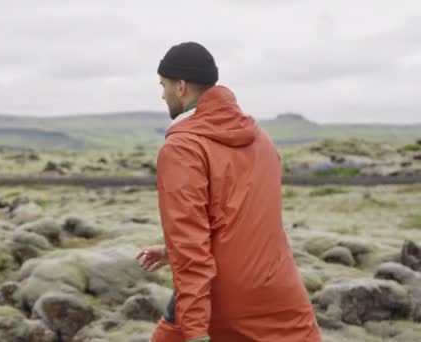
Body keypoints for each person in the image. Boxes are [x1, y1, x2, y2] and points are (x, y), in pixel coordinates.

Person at [136, 42, 321, 342]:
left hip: (223, 294)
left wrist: (195, 331)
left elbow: (192, 247)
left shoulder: (182, 148)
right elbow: (239, 221)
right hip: (280, 287)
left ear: (181, 86)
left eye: (163, 85)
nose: (162, 94)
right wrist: (173, 253)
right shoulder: (261, 139)